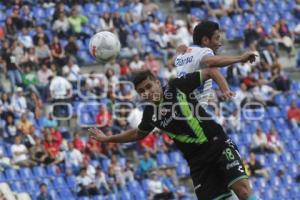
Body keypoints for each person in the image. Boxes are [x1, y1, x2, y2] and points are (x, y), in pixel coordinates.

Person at [89, 70, 258, 200]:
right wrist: (107, 138)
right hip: (197, 162)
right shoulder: (150, 114)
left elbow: (210, 71)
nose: (147, 92)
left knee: (242, 190)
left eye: (149, 86)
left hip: (217, 144)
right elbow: (138, 133)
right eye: (142, 91)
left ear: (157, 82)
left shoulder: (176, 87)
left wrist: (225, 89)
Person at [175, 20, 256, 104]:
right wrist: (240, 58)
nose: (219, 43)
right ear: (205, 40)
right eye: (217, 38)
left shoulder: (183, 55)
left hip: (179, 104)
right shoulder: (204, 51)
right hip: (190, 109)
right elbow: (210, 63)